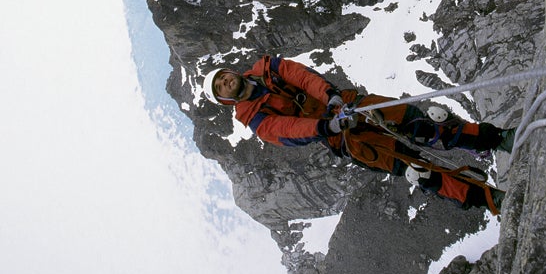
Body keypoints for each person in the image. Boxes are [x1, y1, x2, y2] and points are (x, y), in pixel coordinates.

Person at [202, 54, 515, 214]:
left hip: (348, 106)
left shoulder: (267, 67)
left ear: (230, 72)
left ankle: (494, 139)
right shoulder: (256, 120)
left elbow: (302, 77)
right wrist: (326, 126)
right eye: (220, 89)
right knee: (417, 171)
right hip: (342, 137)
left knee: (421, 125)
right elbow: (287, 130)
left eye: (223, 78)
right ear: (226, 100)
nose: (225, 83)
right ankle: (492, 199)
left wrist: (331, 97)